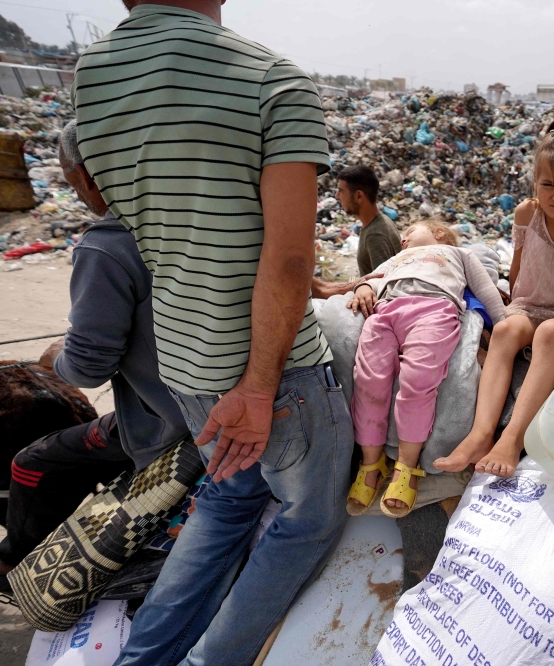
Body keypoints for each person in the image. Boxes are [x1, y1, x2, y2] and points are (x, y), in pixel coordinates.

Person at [73, 3, 353, 665]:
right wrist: (258, 388)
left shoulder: (95, 75)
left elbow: (191, 220)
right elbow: (287, 258)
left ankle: (144, 656)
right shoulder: (271, 79)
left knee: (230, 498)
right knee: (308, 520)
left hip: (185, 357)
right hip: (271, 372)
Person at [0, 121, 189, 592]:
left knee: (31, 461)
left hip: (164, 425)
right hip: (212, 402)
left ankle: (21, 569)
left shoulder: (107, 246)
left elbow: (88, 367)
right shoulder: (188, 222)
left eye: (70, 181)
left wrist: (56, 356)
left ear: (87, 176)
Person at [435, 120, 554, 478]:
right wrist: (511, 312)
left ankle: (513, 438)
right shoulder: (526, 214)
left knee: (549, 332)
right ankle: (481, 434)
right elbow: (517, 269)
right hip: (530, 308)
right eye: (548, 184)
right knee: (506, 330)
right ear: (535, 181)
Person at [345, 219, 506, 518]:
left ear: (439, 233)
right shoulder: (397, 257)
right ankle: (371, 462)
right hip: (386, 311)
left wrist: (504, 325)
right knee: (368, 379)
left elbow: (486, 290)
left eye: (409, 232)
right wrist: (364, 286)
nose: (403, 239)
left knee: (418, 380)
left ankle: (406, 465)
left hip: (435, 309)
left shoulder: (458, 254)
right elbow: (374, 277)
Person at [311, 165, 402, 298]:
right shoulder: (379, 222)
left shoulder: (375, 235)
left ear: (359, 196)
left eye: (341, 191)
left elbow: (383, 287)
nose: (337, 196)